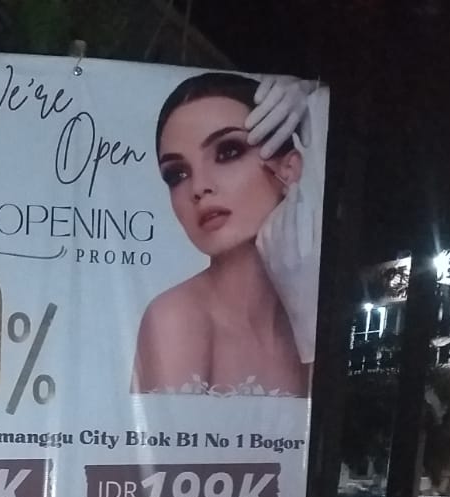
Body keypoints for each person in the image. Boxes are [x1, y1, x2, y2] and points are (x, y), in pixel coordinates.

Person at [131, 72, 320, 397]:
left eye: (228, 152)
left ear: (289, 168)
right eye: (177, 174)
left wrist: (307, 321)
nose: (199, 187)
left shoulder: (314, 306)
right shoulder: (176, 318)